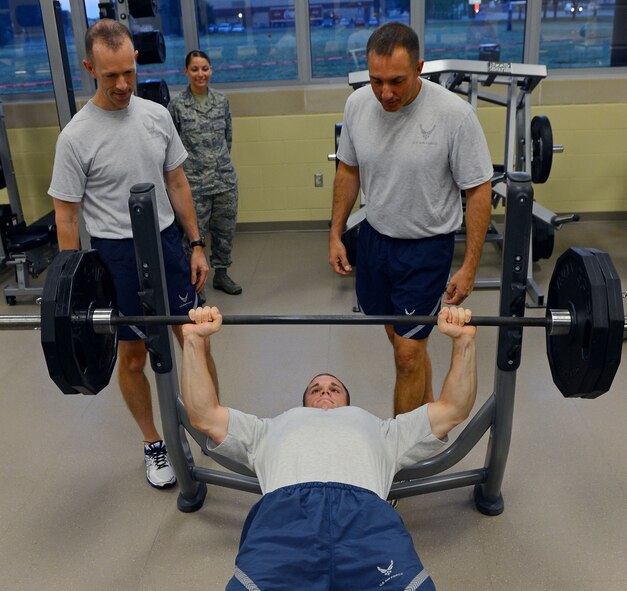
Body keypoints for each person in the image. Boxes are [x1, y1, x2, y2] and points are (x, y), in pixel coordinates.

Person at [181, 304, 477, 590]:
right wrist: (194, 340)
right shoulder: (268, 428)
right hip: (285, 520)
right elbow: (204, 415)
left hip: (366, 521)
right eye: (316, 388)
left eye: (334, 388)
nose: (325, 390)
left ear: (348, 403)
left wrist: (464, 341)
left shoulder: (382, 429)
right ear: (303, 403)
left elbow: (453, 409)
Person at [48, 19, 217, 490]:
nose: (122, 85)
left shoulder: (156, 116)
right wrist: (73, 288)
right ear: (89, 69)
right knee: (135, 355)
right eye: (109, 77)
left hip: (165, 242)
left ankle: (213, 425)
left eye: (128, 73)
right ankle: (153, 443)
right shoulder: (75, 137)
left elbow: (177, 182)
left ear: (135, 62)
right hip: (115, 256)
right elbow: (66, 218)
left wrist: (196, 243)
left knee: (194, 338)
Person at [328, 22, 493, 417]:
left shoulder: (454, 115)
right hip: (375, 241)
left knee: (406, 354)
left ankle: (399, 457)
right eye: (376, 81)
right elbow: (348, 171)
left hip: (425, 250)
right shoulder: (357, 105)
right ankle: (428, 407)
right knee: (404, 344)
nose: (385, 92)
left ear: (419, 67)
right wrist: (335, 234)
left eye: (397, 81)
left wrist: (469, 266)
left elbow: (479, 190)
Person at [167, 50, 242, 296]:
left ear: (211, 70)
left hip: (223, 180)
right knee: (192, 236)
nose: (201, 74)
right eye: (196, 69)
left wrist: (218, 164)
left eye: (205, 68)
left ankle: (221, 274)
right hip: (193, 184)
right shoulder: (177, 105)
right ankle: (195, 281)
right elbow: (171, 146)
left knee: (224, 232)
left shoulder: (221, 101)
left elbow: (227, 138)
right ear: (186, 72)